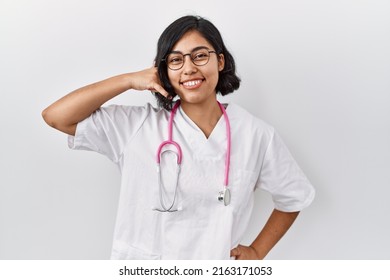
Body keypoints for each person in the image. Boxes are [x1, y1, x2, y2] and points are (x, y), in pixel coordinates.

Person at [42, 15, 315, 260]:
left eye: (199, 56)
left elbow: (295, 195)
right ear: (162, 71)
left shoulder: (255, 134)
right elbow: (56, 116)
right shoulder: (136, 126)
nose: (188, 68)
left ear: (220, 61)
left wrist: (257, 251)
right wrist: (128, 80)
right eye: (175, 60)